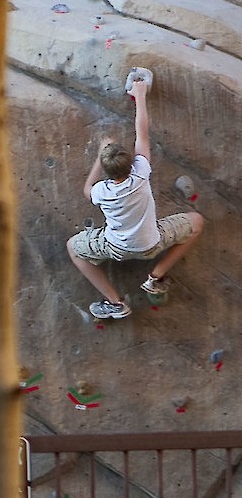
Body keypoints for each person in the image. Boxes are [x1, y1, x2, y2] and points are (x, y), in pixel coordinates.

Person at [66, 72, 203, 319]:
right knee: (196, 223)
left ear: (107, 171)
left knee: (73, 249)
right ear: (131, 163)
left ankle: (115, 303)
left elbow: (87, 190)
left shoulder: (101, 191)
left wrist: (100, 156)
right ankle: (156, 276)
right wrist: (140, 96)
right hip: (152, 243)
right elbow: (142, 134)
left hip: (115, 247)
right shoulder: (140, 174)